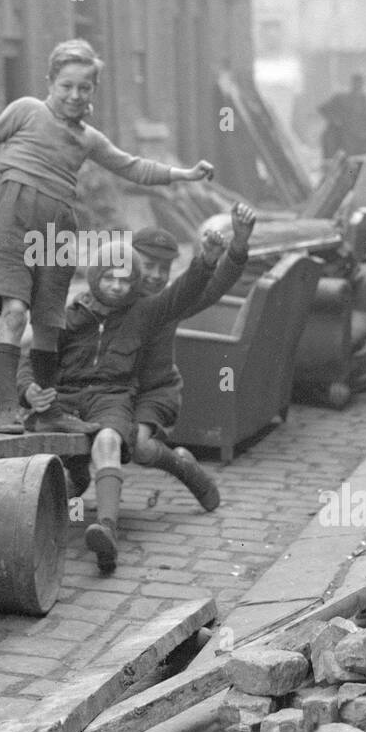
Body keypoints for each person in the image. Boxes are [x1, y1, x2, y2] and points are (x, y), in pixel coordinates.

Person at [0, 39, 216, 435]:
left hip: (59, 226)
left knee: (49, 321)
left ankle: (48, 410)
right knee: (14, 312)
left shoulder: (88, 138)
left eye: (85, 88)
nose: (75, 95)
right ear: (50, 82)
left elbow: (132, 167)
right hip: (17, 216)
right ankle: (7, 408)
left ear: (93, 91)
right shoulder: (25, 110)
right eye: (66, 86)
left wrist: (184, 174)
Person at [17, 234, 223, 573]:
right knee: (56, 460)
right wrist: (29, 391)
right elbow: (32, 359)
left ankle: (107, 529)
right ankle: (50, 501)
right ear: (96, 277)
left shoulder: (143, 312)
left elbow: (180, 294)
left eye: (125, 281)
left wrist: (206, 261)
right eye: (109, 278)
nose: (116, 286)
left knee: (110, 440)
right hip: (67, 398)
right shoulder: (70, 316)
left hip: (112, 397)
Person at [121, 202, 258, 510]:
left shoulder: (170, 303)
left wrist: (238, 243)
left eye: (164, 269)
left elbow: (215, 286)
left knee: (139, 448)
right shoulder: (112, 294)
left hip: (153, 393)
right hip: (112, 390)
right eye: (148, 265)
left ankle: (185, 468)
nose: (156, 276)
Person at [318, 74, 366, 163]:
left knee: (354, 166)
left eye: (360, 83)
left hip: (356, 140)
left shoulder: (364, 100)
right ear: (352, 83)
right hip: (339, 138)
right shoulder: (341, 98)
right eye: (356, 82)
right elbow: (323, 109)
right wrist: (335, 119)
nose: (358, 85)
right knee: (334, 164)